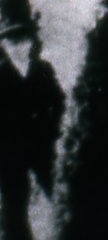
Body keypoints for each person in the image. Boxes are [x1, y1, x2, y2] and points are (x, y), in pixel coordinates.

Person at [0, 16, 63, 240]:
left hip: (41, 144)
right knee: (14, 203)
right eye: (12, 43)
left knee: (58, 191)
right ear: (4, 46)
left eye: (23, 41)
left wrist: (53, 129)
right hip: (9, 151)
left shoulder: (43, 69)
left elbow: (59, 101)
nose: (18, 47)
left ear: (30, 43)